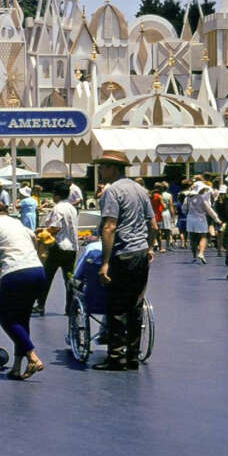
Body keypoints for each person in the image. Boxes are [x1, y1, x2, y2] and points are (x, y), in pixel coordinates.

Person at [93, 150, 159, 371]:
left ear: (113, 168)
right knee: (135, 305)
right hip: (140, 252)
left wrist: (104, 262)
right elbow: (153, 225)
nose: (100, 170)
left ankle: (116, 356)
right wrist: (150, 247)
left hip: (123, 253)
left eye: (102, 166)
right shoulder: (140, 190)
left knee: (117, 307)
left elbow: (109, 226)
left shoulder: (112, 191)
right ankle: (132, 355)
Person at [0, 194, 47, 380]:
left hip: (16, 273)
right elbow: (33, 239)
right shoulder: (16, 223)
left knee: (6, 319)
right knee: (22, 319)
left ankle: (32, 357)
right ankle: (17, 367)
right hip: (37, 271)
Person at [34, 181, 79, 315]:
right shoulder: (72, 208)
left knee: (47, 276)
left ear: (57, 195)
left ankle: (40, 305)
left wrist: (42, 230)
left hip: (58, 247)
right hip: (72, 247)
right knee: (69, 279)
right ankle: (70, 307)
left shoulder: (58, 208)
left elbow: (56, 227)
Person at [184, 181, 221, 263]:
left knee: (193, 238)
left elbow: (184, 208)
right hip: (200, 218)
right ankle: (201, 253)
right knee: (203, 237)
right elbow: (209, 210)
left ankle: (194, 256)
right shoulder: (202, 198)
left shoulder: (188, 197)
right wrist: (216, 219)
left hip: (190, 218)